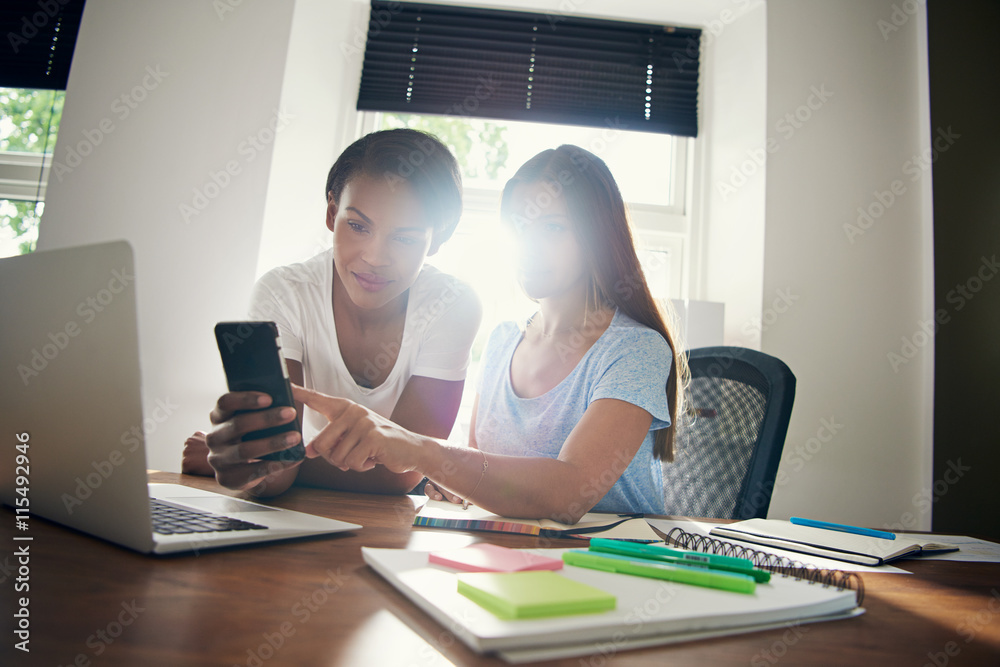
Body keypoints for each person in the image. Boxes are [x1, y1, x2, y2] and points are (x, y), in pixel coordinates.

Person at [292, 144, 685, 521]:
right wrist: (455, 482)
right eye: (519, 226)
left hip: (615, 563)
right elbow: (483, 471)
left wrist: (421, 452)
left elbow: (570, 494)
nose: (529, 246)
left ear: (595, 234)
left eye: (551, 227)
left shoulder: (637, 349)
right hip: (510, 557)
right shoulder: (501, 341)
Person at [181, 128, 482, 497]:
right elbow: (274, 467)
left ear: (436, 240)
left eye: (404, 238)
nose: (374, 257)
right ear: (331, 213)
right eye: (357, 225)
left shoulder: (451, 304)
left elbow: (402, 475)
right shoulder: (284, 293)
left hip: (389, 528)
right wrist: (250, 466)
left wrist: (288, 465)